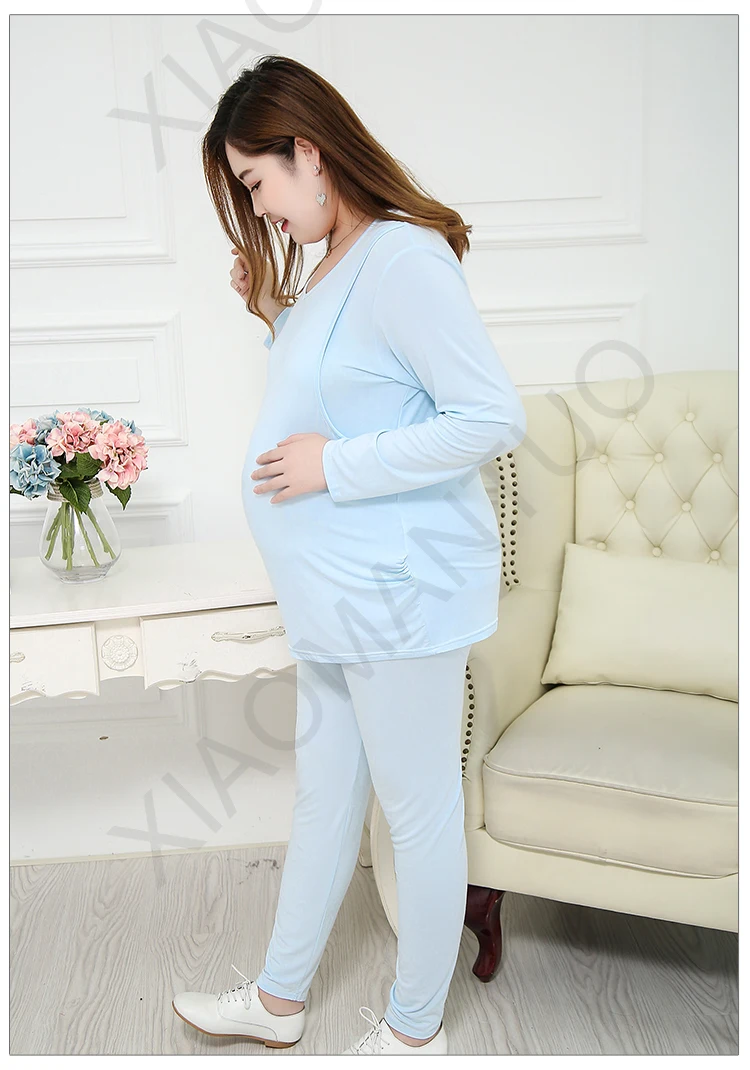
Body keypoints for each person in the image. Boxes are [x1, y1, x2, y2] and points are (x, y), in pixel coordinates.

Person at [172, 55, 526, 1056]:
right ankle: (281, 999)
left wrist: (334, 465)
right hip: (334, 597)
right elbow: (346, 386)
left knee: (417, 812)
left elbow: (490, 418)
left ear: (310, 152)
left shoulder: (404, 257)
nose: (260, 209)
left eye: (257, 183)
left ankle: (416, 1033)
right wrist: (271, 315)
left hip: (397, 594)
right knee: (328, 796)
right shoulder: (333, 265)